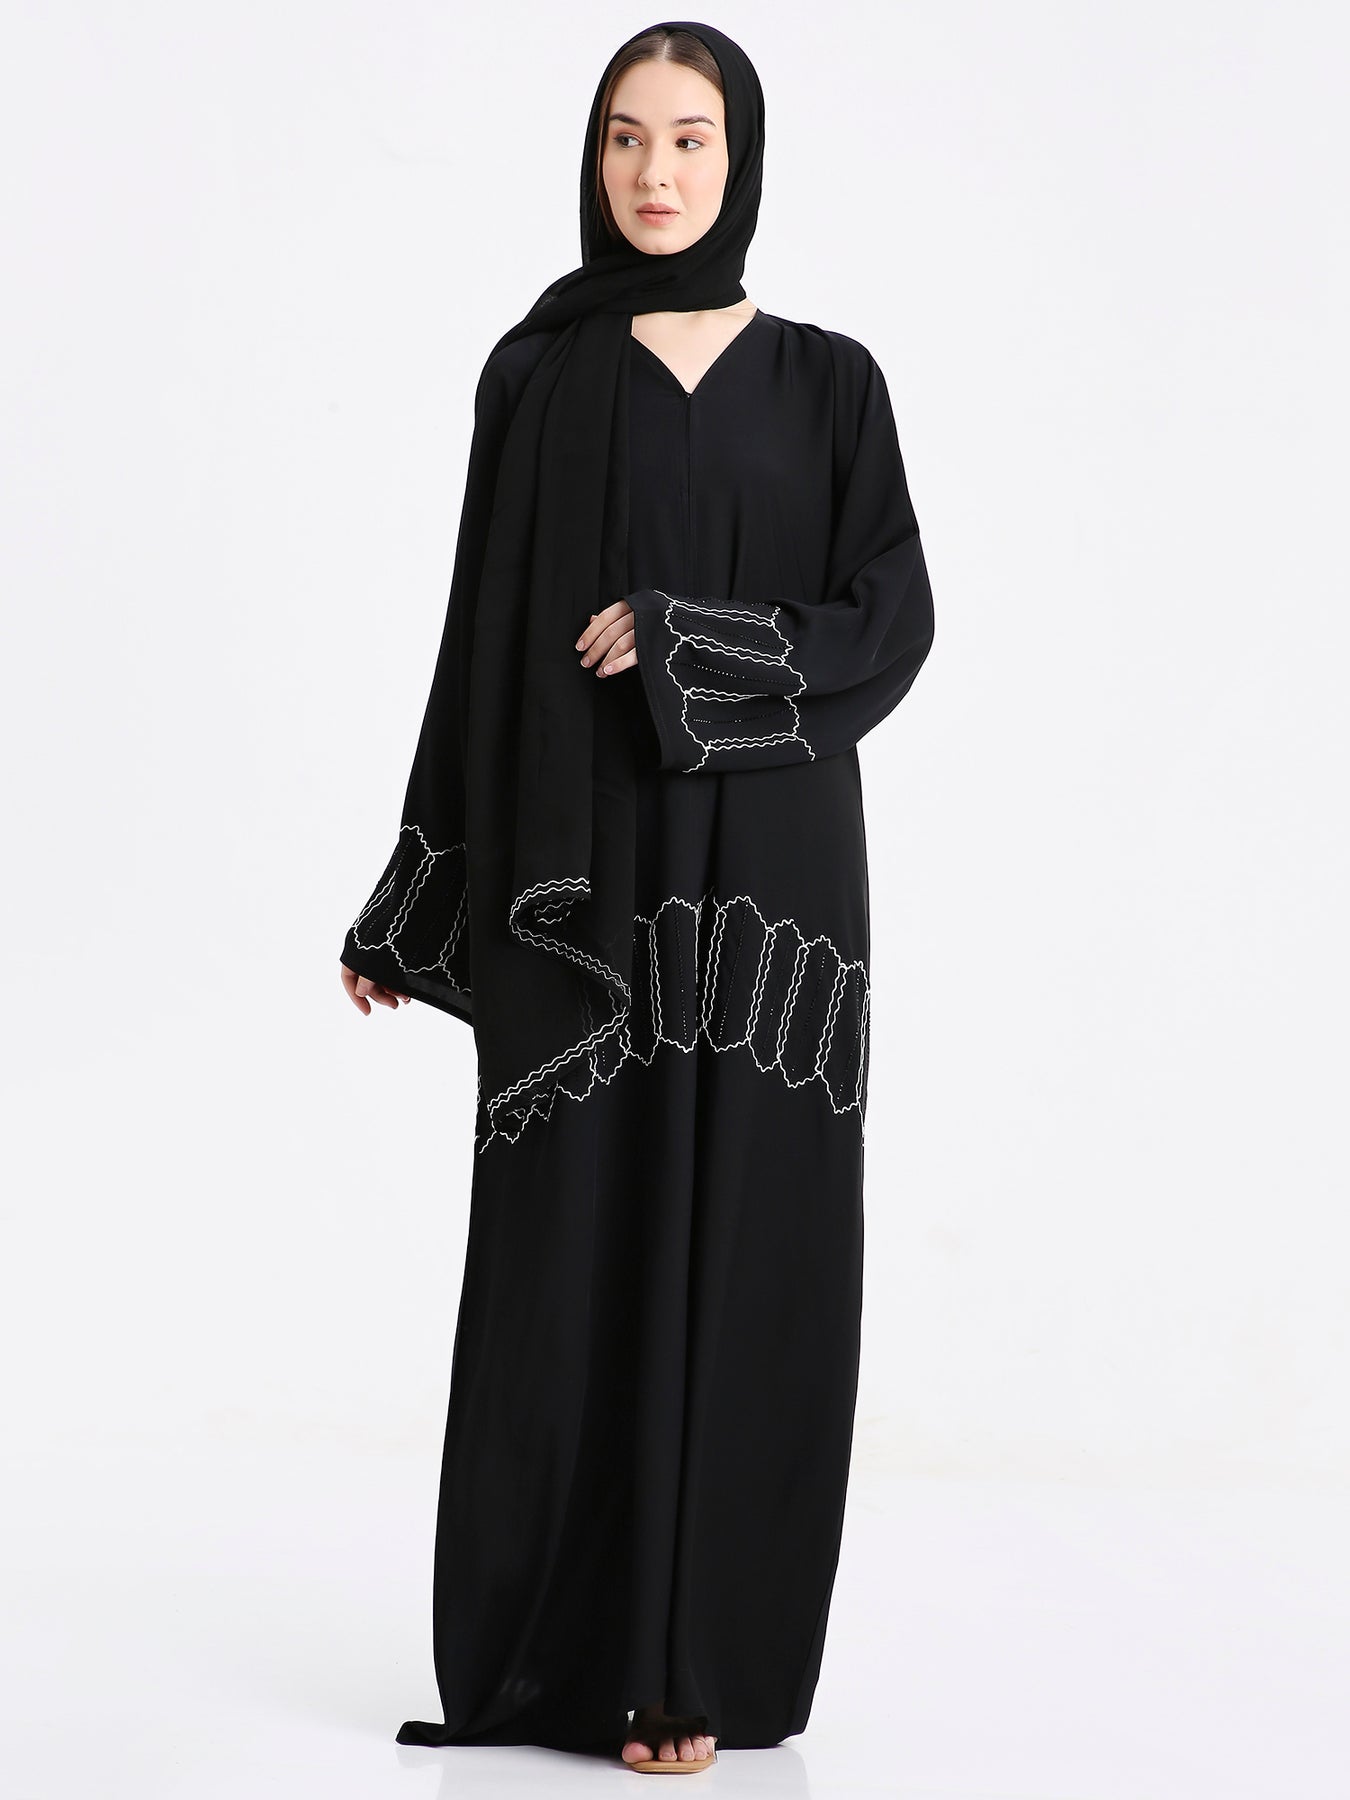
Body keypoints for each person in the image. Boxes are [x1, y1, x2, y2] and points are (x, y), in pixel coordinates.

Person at [339, 18, 934, 1775]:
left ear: (740, 158)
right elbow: (478, 638)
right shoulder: (539, 374)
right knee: (571, 1249)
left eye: (688, 138)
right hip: (576, 873)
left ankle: (696, 1673)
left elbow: (890, 621)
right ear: (591, 158)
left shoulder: (830, 383)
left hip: (770, 883)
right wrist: (417, 893)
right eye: (624, 137)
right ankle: (555, 1663)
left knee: (751, 1240)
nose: (654, 172)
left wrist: (690, 645)